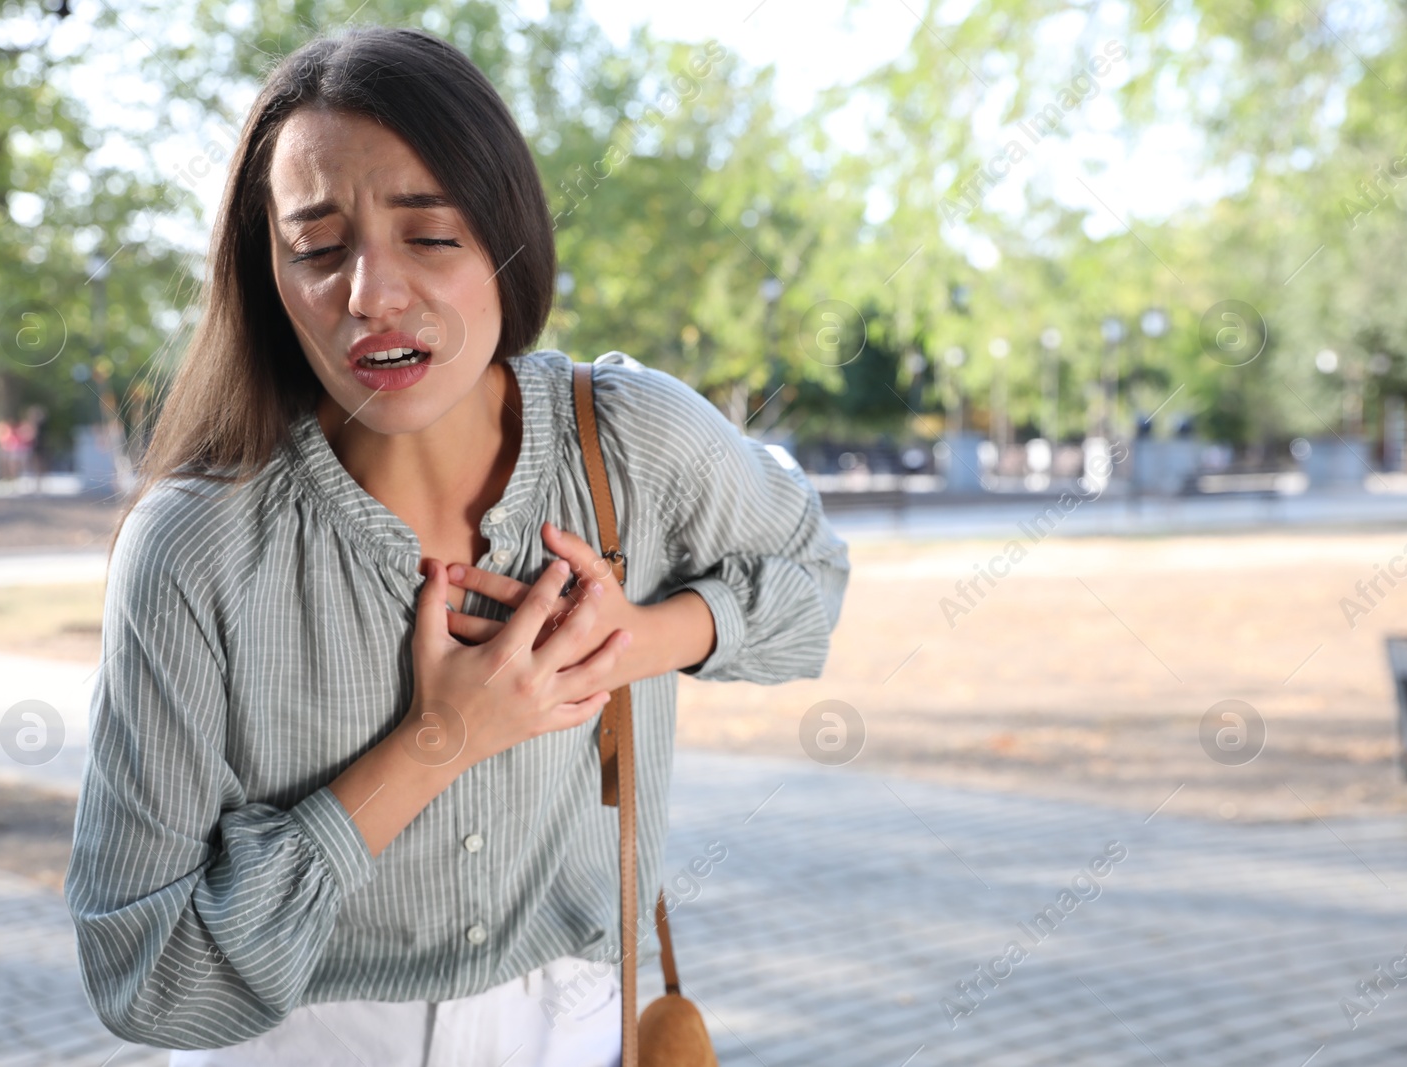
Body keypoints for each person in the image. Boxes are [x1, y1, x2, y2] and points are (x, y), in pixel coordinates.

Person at [64, 24, 849, 1067]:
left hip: (581, 1027)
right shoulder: (193, 544)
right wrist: (442, 736)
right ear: (269, 277)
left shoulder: (632, 436)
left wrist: (647, 636)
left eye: (428, 235)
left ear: (505, 238)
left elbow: (812, 579)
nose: (369, 295)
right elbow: (147, 975)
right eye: (316, 247)